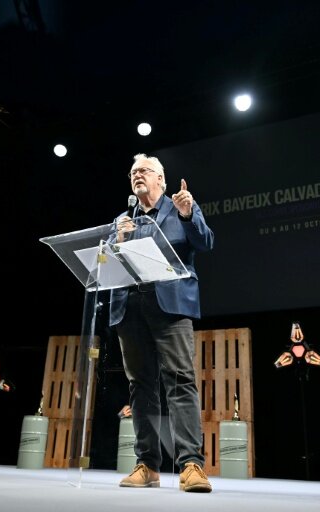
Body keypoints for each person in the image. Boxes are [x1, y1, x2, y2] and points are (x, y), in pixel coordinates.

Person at [111, 153, 214, 492]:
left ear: (161, 180)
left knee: (180, 380)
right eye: (133, 172)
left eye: (144, 170)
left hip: (170, 306)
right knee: (141, 386)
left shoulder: (180, 208)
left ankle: (191, 465)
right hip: (130, 308)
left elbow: (205, 242)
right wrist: (117, 243)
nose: (137, 175)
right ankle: (147, 465)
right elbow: (105, 265)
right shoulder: (123, 220)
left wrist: (188, 215)